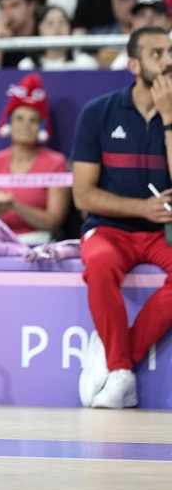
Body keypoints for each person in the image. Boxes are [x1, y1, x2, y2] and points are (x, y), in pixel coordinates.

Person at [73, 26, 172, 409]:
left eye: (170, 52)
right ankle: (121, 372)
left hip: (164, 230)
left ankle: (117, 363)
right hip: (110, 227)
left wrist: (168, 119)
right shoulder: (98, 112)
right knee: (98, 265)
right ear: (133, 64)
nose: (168, 61)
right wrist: (141, 208)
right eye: (157, 54)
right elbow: (83, 195)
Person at [0, 73, 72, 245]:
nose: (25, 126)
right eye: (19, 119)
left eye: (33, 120)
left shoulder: (56, 162)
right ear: (9, 123)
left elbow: (54, 220)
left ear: (41, 127)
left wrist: (14, 205)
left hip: (40, 242)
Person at [18, 4, 100, 70]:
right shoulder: (27, 66)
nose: (57, 27)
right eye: (50, 23)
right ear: (38, 31)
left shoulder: (86, 64)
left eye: (62, 22)